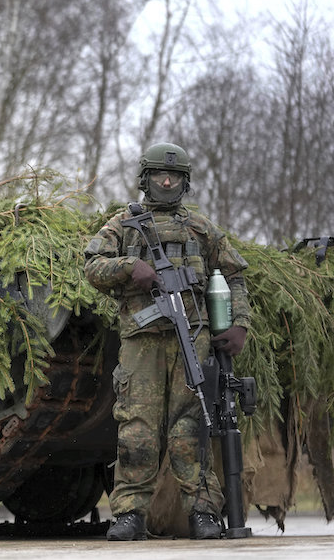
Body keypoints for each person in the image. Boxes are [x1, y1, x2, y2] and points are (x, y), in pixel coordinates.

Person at [84, 142, 252, 541]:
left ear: (184, 181)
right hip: (142, 341)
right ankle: (129, 514)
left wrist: (239, 324)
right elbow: (92, 266)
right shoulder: (124, 224)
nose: (166, 180)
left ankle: (203, 512)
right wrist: (131, 267)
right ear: (145, 179)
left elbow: (235, 277)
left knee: (191, 428)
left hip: (192, 339)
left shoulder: (201, 229)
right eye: (160, 174)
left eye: (174, 176)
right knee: (137, 429)